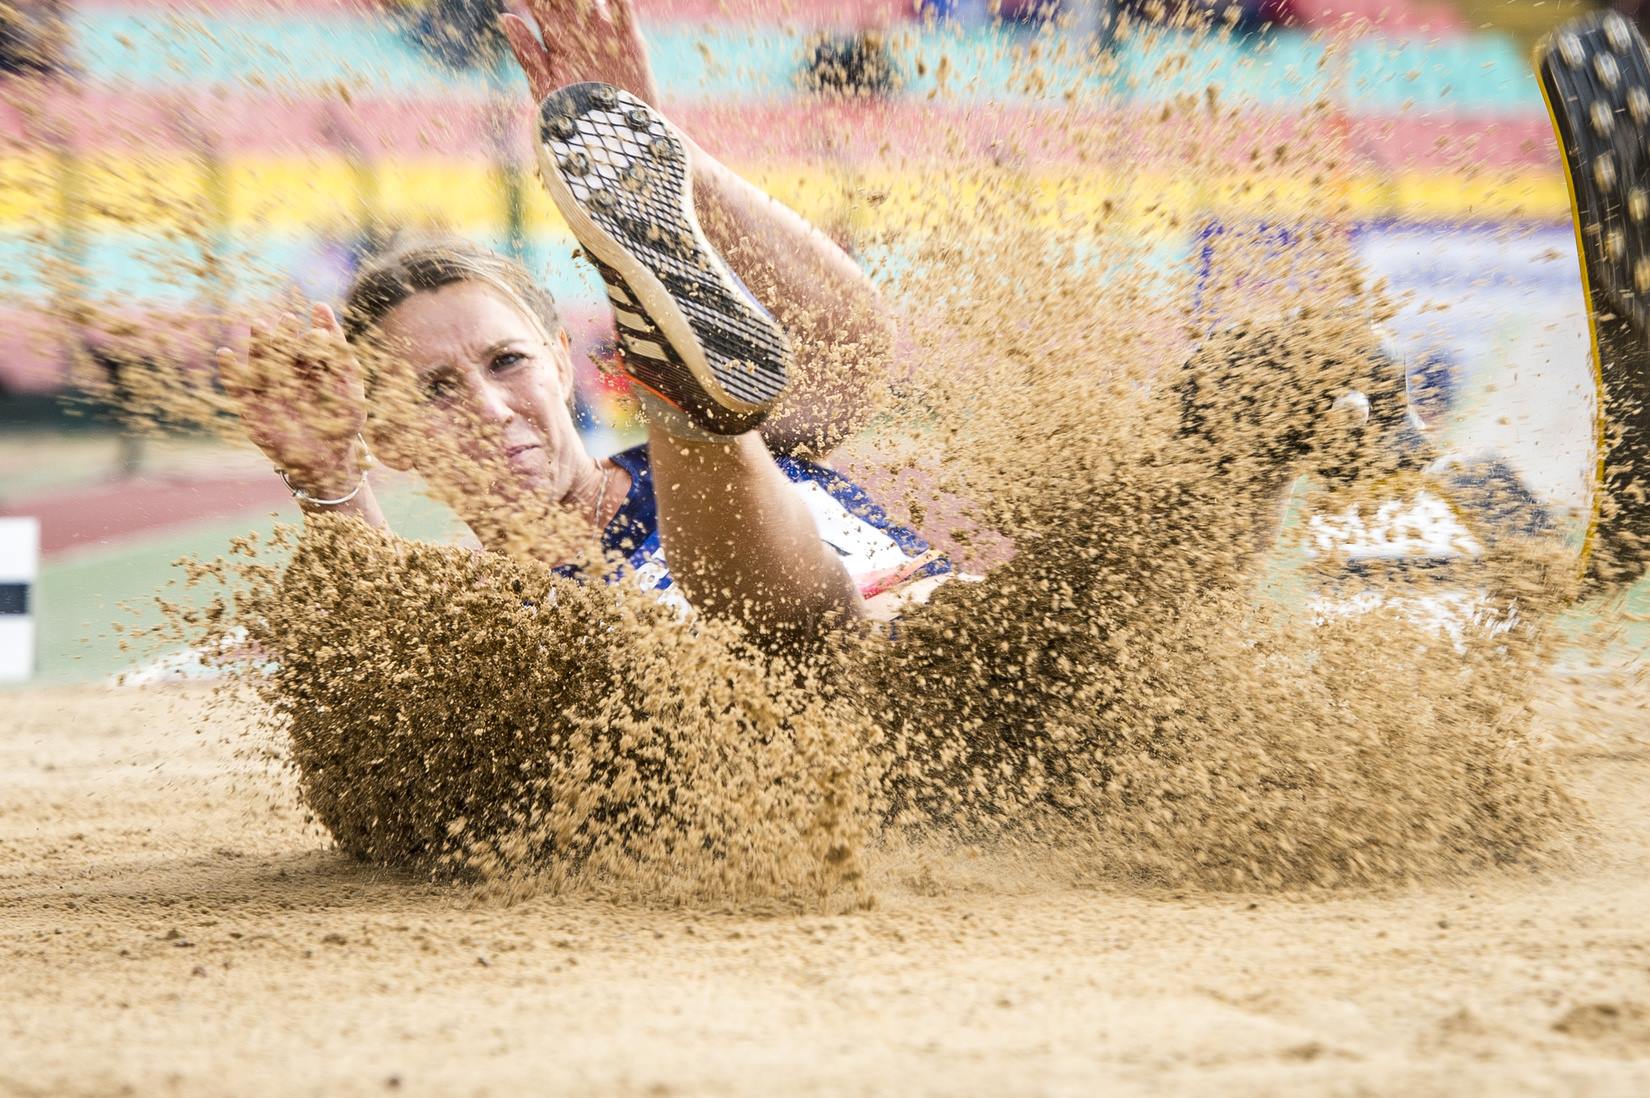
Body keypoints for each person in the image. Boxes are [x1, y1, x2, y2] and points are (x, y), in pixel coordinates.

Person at [220, 0, 1650, 650]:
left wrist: (671, 151)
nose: (485, 407)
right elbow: (372, 664)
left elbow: (845, 350)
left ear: (561, 360)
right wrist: (328, 490)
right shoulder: (463, 619)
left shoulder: (681, 474)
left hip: (1026, 645)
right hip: (860, 715)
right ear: (392, 439)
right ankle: (679, 355)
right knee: (764, 619)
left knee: (1280, 365)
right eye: (435, 395)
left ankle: (1562, 545)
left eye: (503, 362)